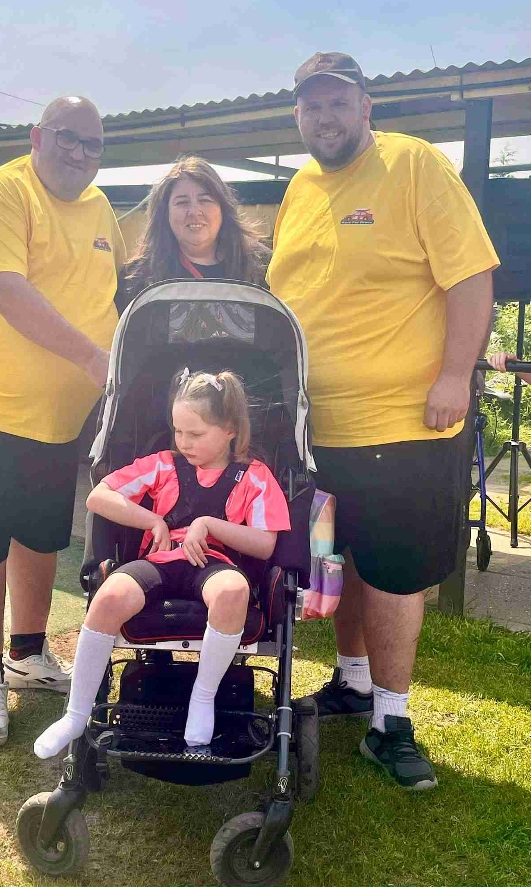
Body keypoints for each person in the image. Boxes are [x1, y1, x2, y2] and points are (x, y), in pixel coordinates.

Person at [268, 52, 499, 790]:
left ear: (366, 106)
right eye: (311, 107)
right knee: (341, 562)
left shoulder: (414, 164)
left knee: (395, 571)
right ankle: (353, 680)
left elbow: (469, 275)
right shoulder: (300, 188)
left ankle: (391, 721)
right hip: (318, 426)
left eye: (338, 104)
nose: (324, 118)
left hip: (404, 421)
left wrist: (456, 375)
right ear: (297, 115)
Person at [0, 96, 126, 746]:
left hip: (56, 420)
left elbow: (116, 289)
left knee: (42, 535)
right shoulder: (0, 191)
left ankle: (29, 654)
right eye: (68, 138)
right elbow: (7, 290)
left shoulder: (99, 210)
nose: (79, 153)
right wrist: (97, 358)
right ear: (38, 136)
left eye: (92, 145)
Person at [34, 369, 291, 758]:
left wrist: (207, 525)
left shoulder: (253, 477)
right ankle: (75, 713)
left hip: (213, 563)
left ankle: (202, 700)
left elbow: (265, 543)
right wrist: (152, 519)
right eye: (178, 432)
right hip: (160, 559)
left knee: (234, 591)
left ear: (230, 430)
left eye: (195, 434)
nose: (183, 442)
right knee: (108, 595)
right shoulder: (163, 465)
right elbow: (99, 497)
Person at [115, 155, 271, 314]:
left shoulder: (262, 265)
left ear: (223, 208)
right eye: (182, 202)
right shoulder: (136, 278)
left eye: (205, 200)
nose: (194, 212)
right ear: (164, 213)